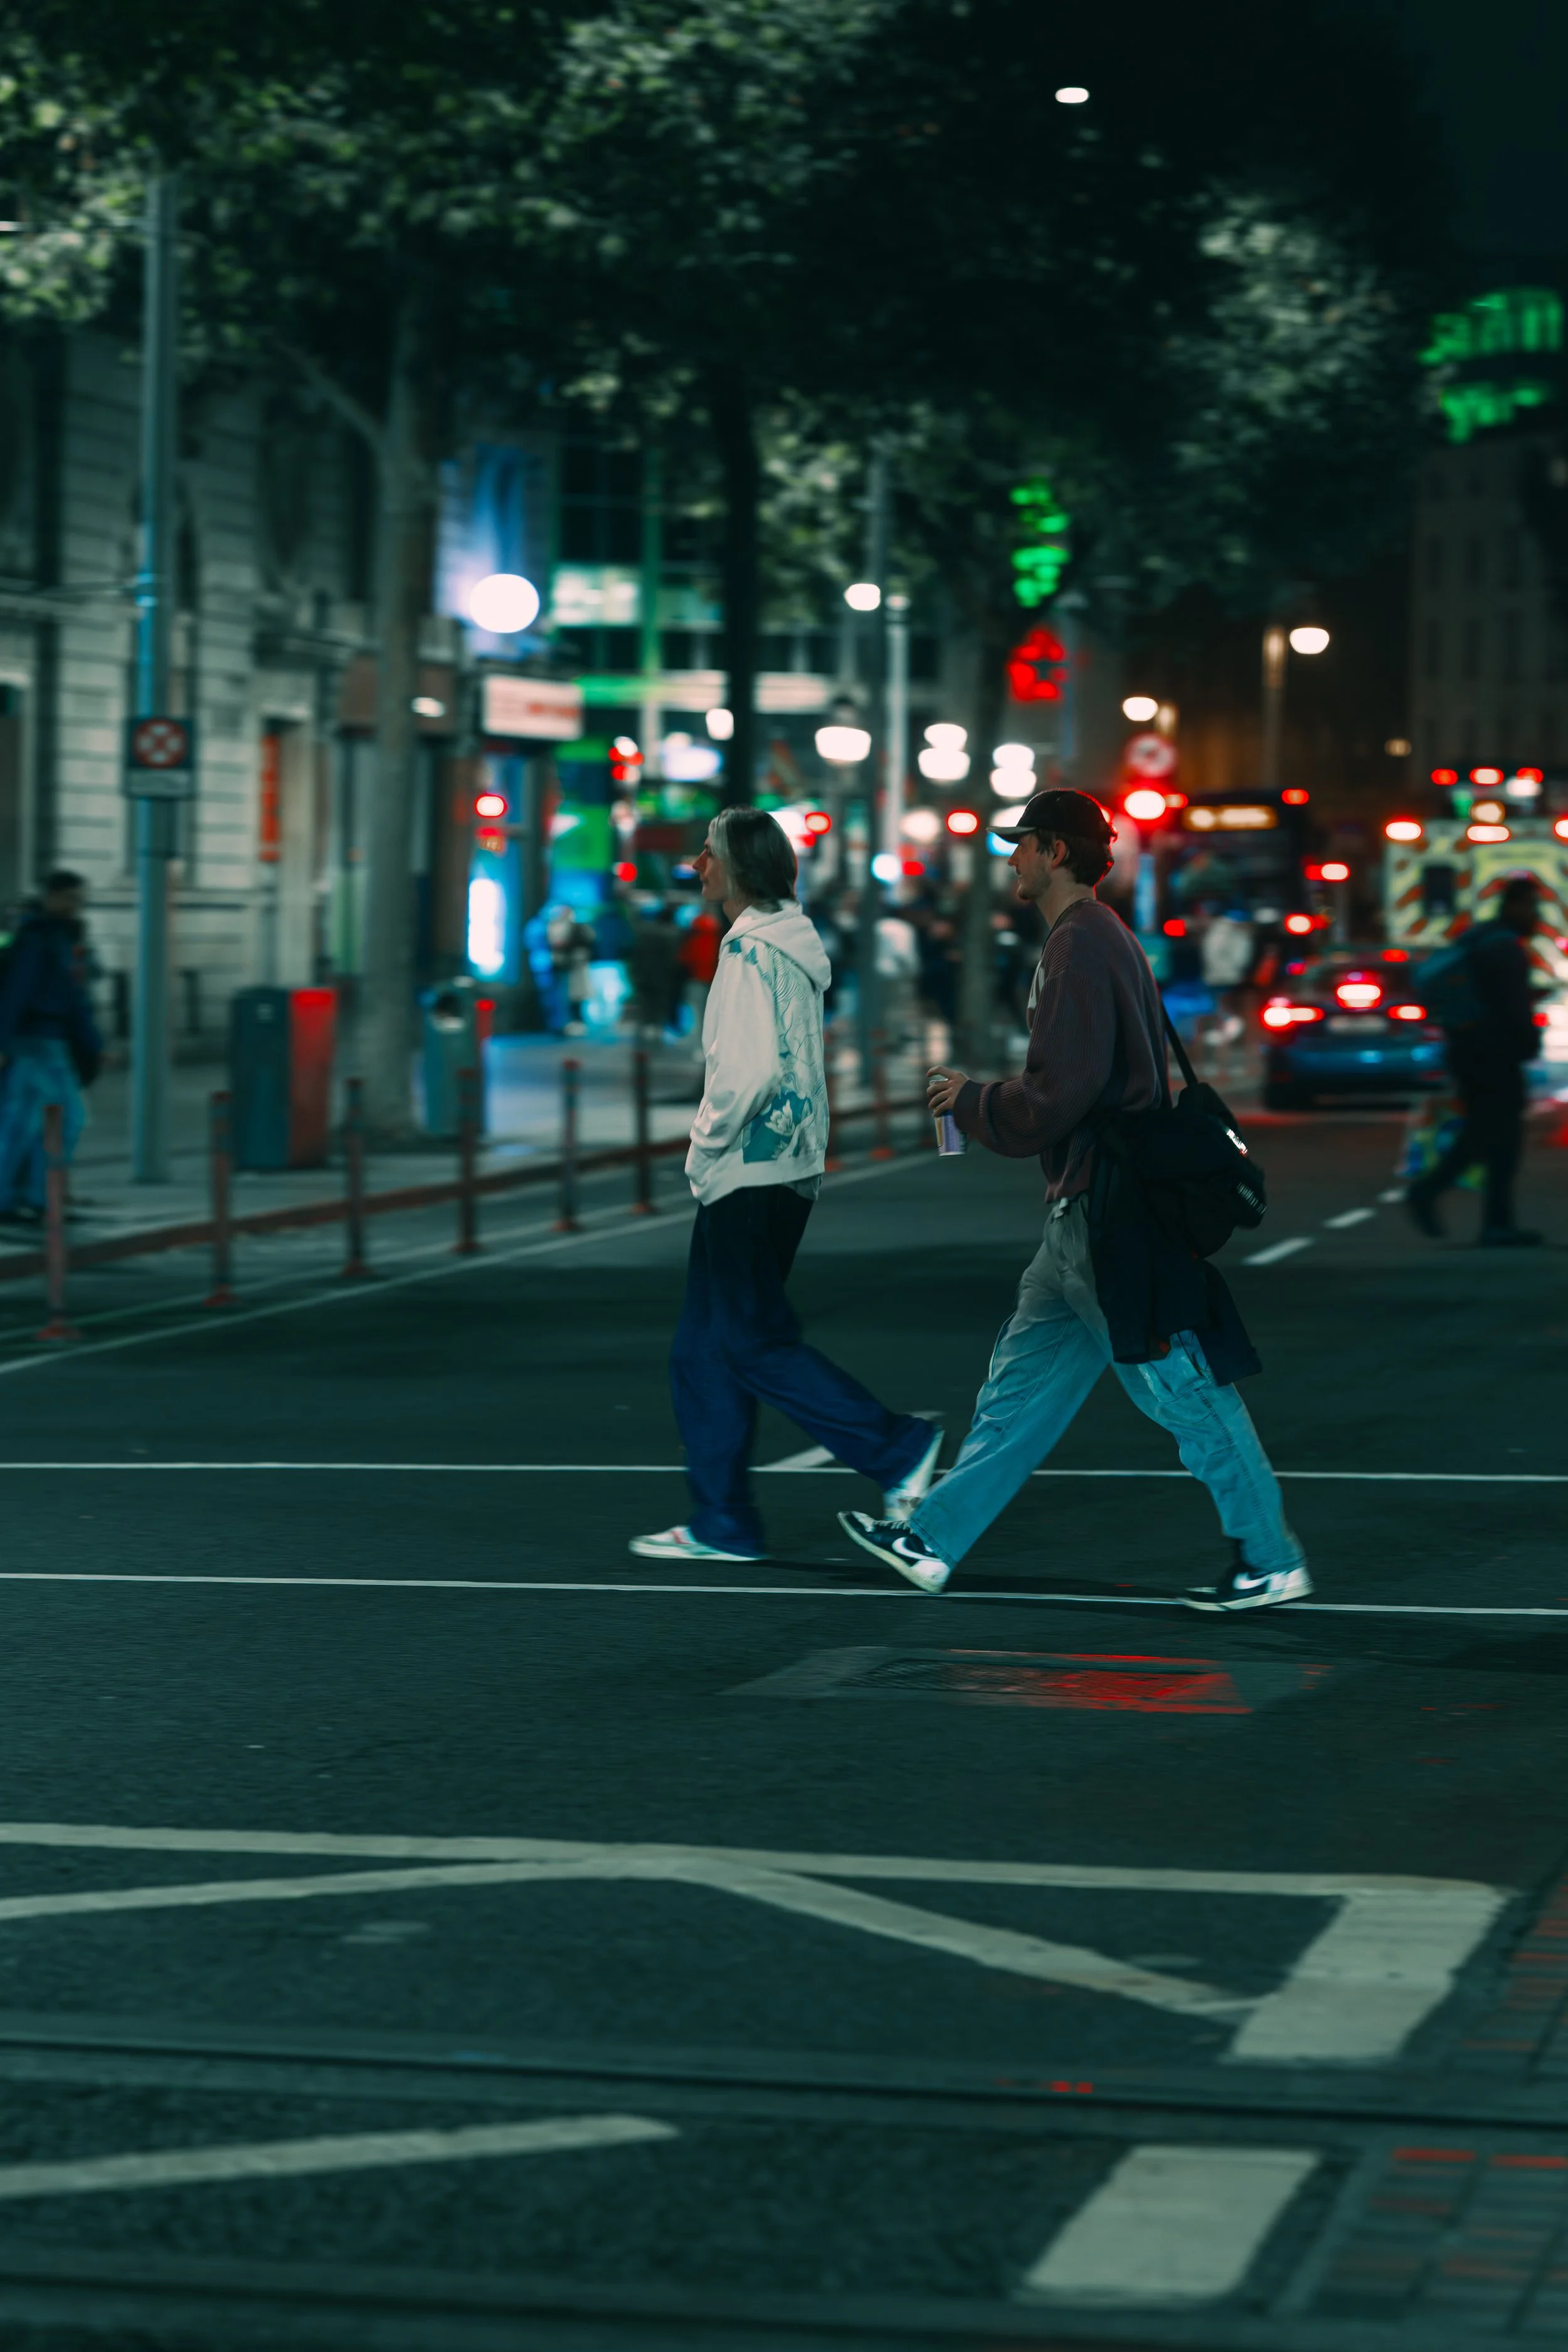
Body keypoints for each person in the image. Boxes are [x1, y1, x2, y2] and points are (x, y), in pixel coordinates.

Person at [835, 788, 1308, 1614]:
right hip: (1078, 1214)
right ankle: (932, 1539)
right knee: (1020, 1388)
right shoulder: (1095, 935)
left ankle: (1269, 1557)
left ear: (1056, 852)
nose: (1010, 857)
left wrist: (978, 1101)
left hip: (1106, 1210)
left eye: (1020, 844)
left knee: (1185, 1389)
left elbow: (1062, 1093)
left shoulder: (1082, 941)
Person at [632, 808, 942, 1564]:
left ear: (737, 869)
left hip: (747, 1167)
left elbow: (747, 1073)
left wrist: (703, 1147)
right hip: (791, 1165)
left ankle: (895, 1448)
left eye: (707, 857)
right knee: (704, 1351)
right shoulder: (792, 946)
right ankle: (722, 1522)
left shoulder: (746, 955)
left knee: (749, 1342)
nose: (697, 868)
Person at [1407, 874, 1544, 1246]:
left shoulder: (1479, 939)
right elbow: (1512, 1006)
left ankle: (1490, 1219)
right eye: (1532, 907)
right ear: (1514, 906)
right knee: (1499, 1138)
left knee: (1487, 1134)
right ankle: (1449, 1200)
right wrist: (1529, 1041)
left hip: (1469, 1049)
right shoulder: (1505, 949)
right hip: (1492, 1055)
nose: (1537, 917)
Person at [0, 869, 102, 1228]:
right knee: (25, 1124)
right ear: (52, 897)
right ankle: (17, 1199)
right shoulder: (37, 938)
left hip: (55, 1043)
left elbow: (78, 997)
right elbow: (16, 993)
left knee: (58, 1122)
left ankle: (40, 1197)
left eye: (80, 898)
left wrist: (91, 1044)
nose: (78, 905)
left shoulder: (66, 937)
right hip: (33, 1042)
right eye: (71, 898)